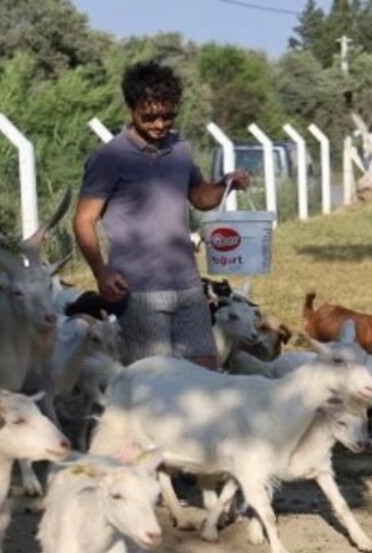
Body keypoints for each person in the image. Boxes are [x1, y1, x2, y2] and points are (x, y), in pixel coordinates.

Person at [74, 60, 250, 369]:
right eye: (150, 116)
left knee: (205, 375)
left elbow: (199, 197)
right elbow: (84, 220)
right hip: (138, 291)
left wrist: (227, 184)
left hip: (188, 286)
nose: (159, 124)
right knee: (155, 382)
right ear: (131, 108)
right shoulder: (109, 158)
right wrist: (102, 273)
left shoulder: (180, 149)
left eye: (167, 115)